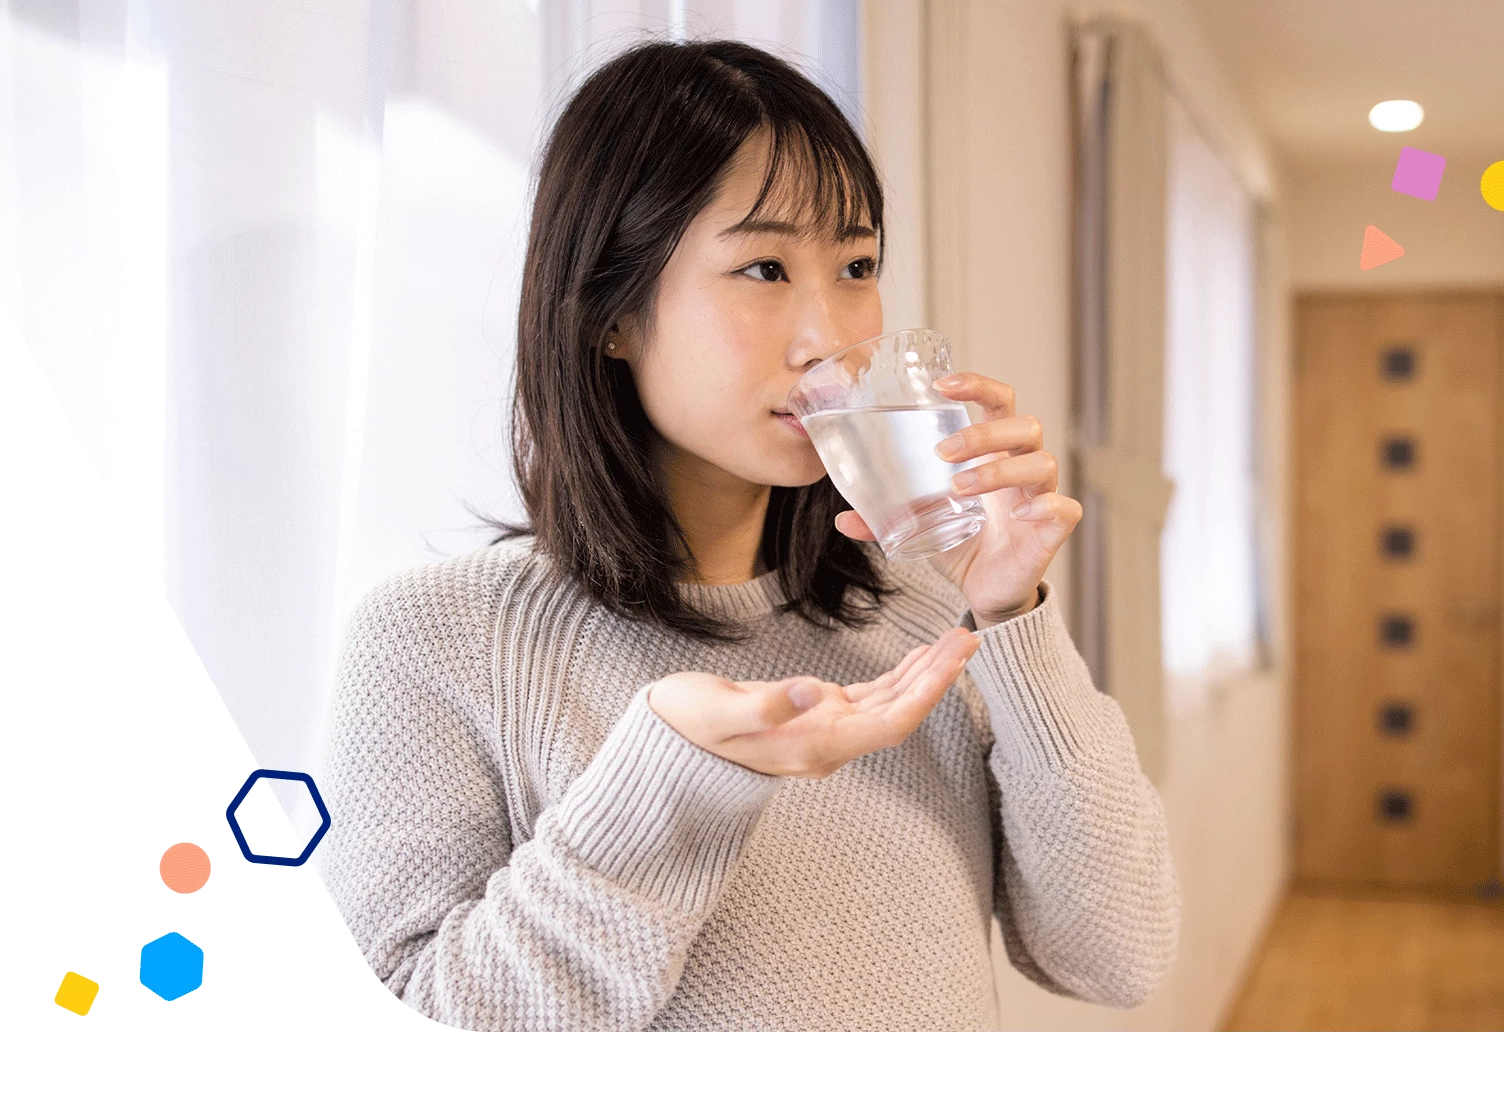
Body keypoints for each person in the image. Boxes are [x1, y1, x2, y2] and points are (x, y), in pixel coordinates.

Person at [315, 39, 1176, 1031]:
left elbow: (1118, 952)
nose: (827, 337)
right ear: (611, 314)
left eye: (856, 265)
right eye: (763, 266)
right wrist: (670, 776)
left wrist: (1012, 614)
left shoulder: (930, 612)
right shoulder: (435, 640)